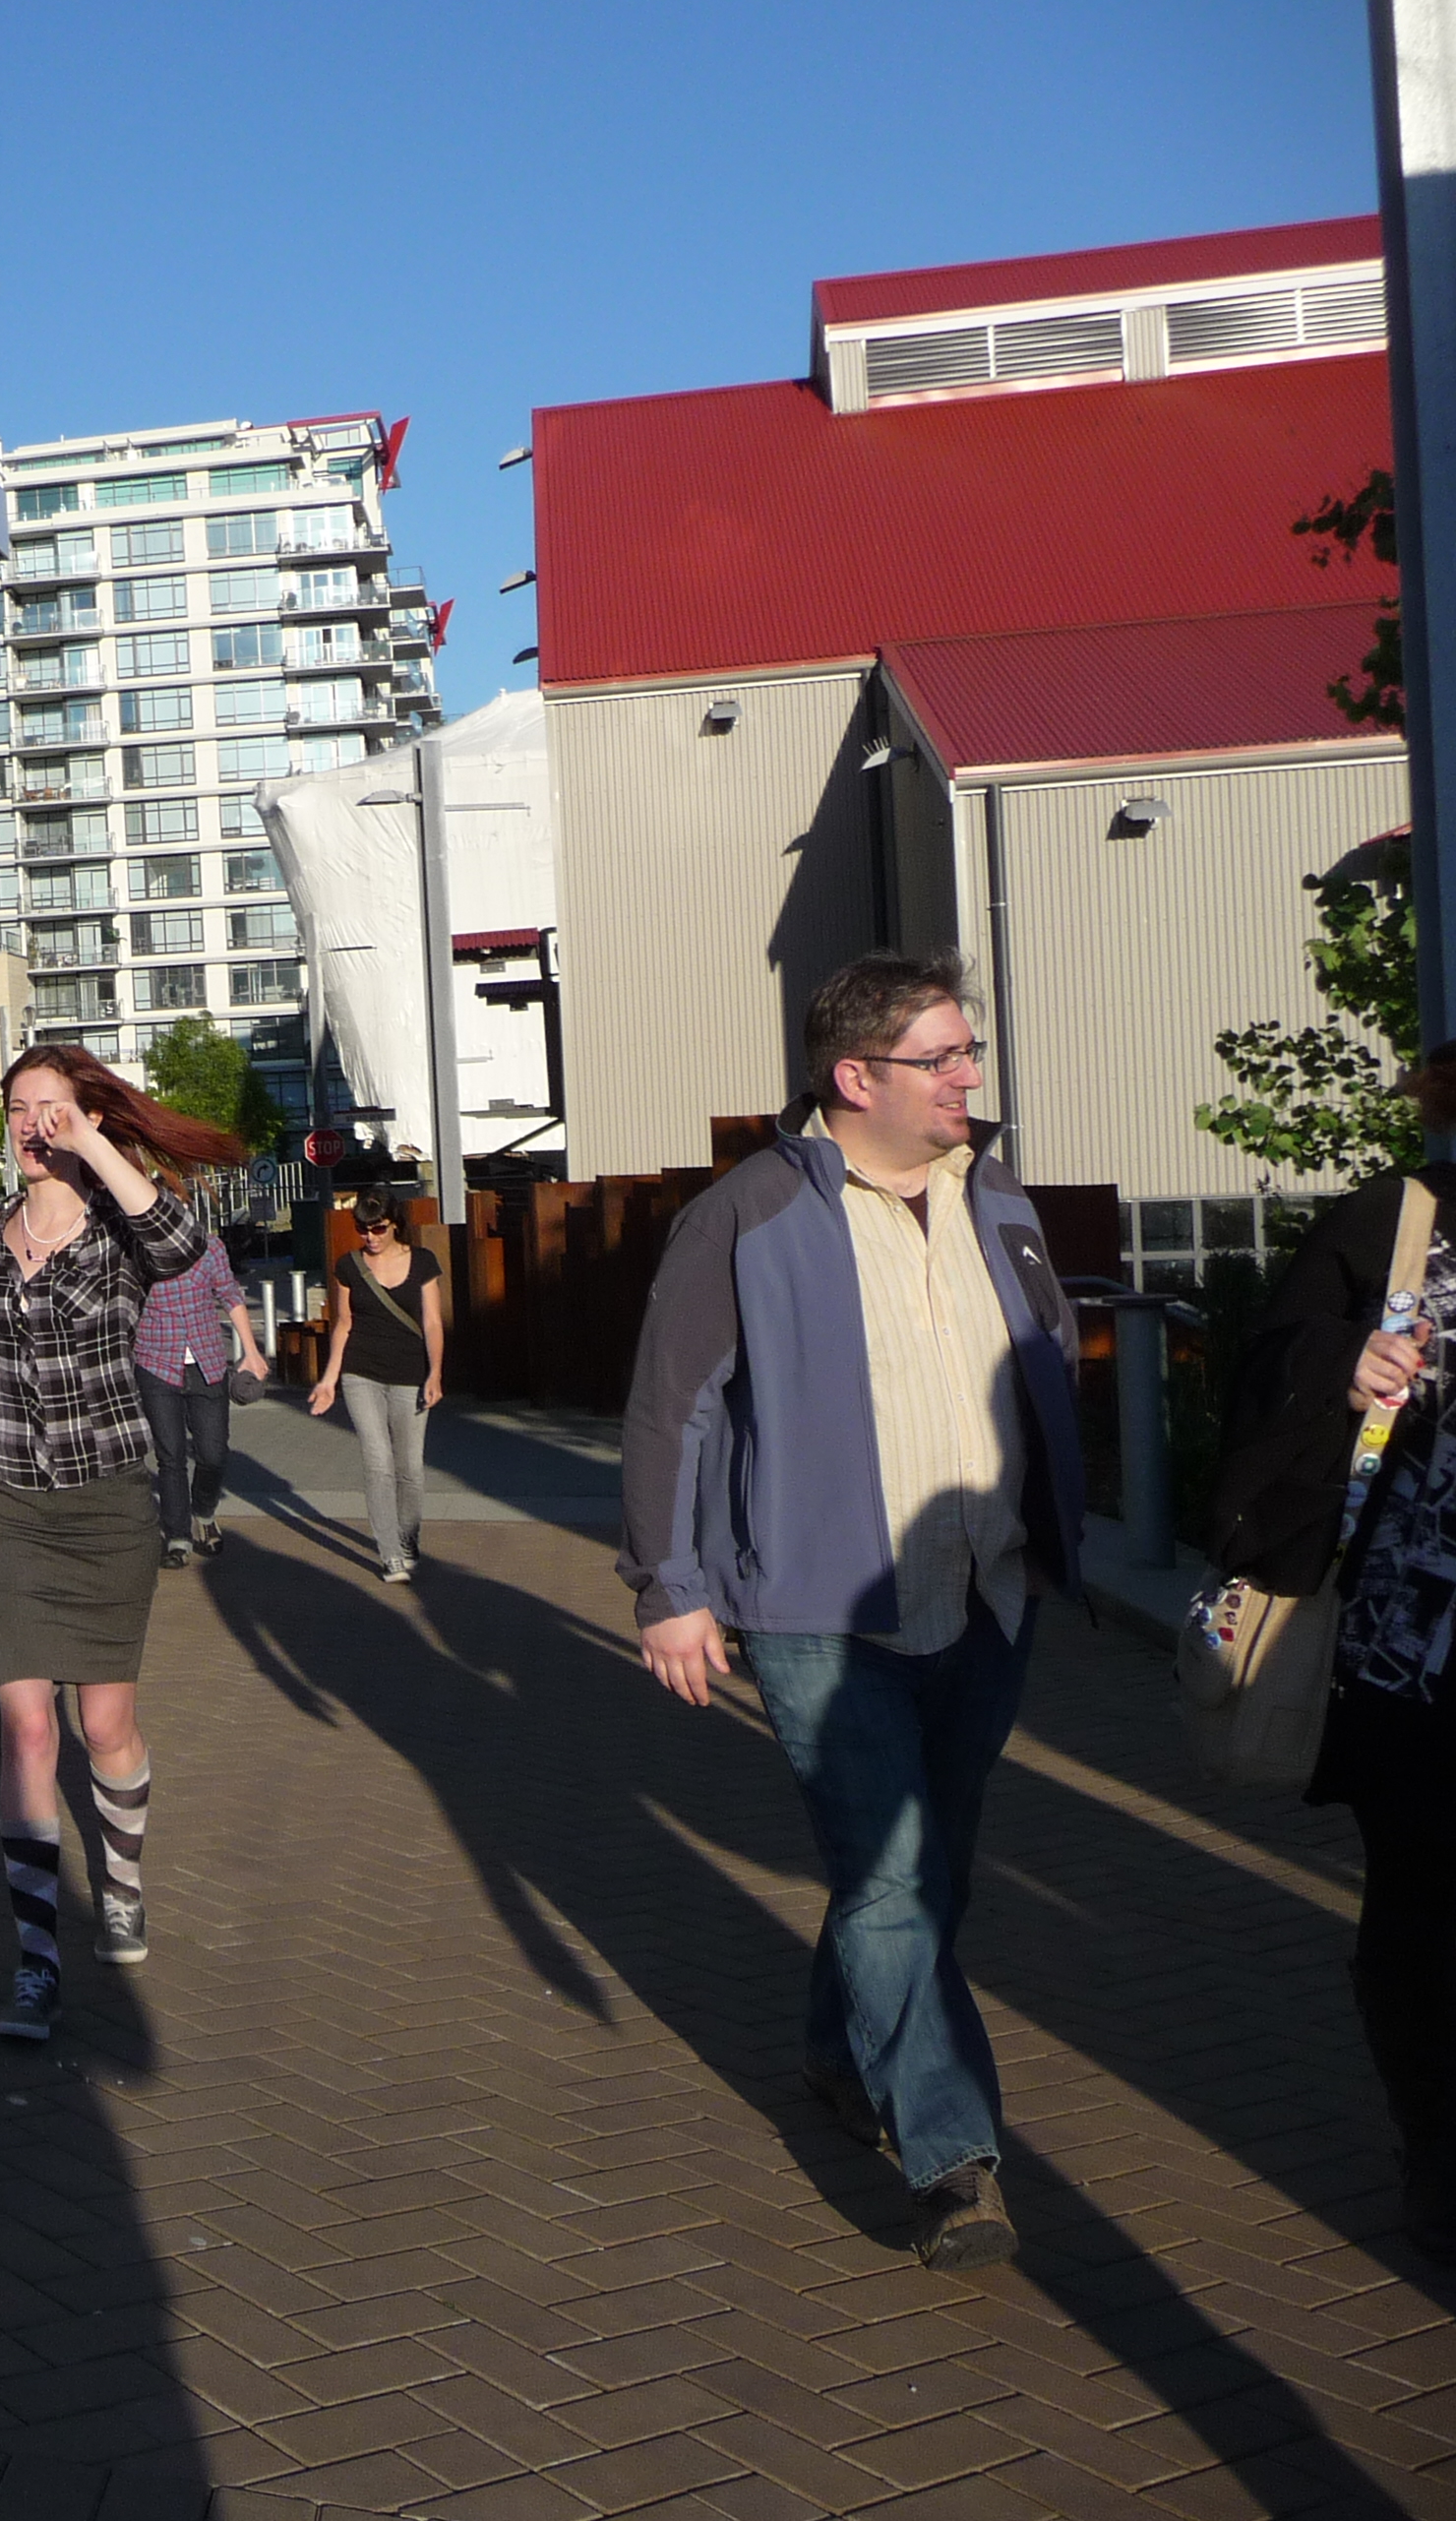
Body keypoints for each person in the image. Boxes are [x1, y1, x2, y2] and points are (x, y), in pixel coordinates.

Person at [619, 951, 1081, 2272]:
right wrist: (672, 1590)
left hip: (987, 1594)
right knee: (888, 1881)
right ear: (856, 1075)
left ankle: (837, 2049)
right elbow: (673, 1411)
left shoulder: (995, 1196)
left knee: (927, 1874)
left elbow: (1041, 1360)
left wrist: (1057, 1531)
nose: (970, 1077)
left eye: (969, 1053)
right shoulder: (749, 1214)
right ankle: (957, 2159)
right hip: (820, 1609)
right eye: (945, 1057)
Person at [0, 1045, 244, 2040]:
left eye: (50, 1109)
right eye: (17, 1110)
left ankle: (121, 1879)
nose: (31, 1126)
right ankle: (35, 1964)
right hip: (6, 1504)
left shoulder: (119, 1231)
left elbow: (183, 1242)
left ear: (87, 1117)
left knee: (104, 1726)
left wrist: (95, 1145)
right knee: (28, 1728)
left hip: (108, 1501)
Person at [1207, 1040, 1456, 2256]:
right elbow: (1263, 1368)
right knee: (1419, 1919)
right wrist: (1338, 1368)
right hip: (1414, 1655)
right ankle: (1437, 2153)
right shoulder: (1399, 1223)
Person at [308, 1189, 445, 1582]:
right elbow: (344, 1324)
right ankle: (390, 1554)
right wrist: (329, 1380)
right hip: (361, 1374)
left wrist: (435, 1372)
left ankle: (407, 1536)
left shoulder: (422, 1262)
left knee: (410, 1469)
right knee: (378, 1463)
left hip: (411, 1374)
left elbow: (433, 1322)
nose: (371, 1236)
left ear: (394, 1224)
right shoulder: (349, 1266)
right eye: (363, 1229)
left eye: (378, 1228)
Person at [134, 1227, 270, 1568]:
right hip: (155, 1361)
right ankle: (178, 1536)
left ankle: (204, 1511)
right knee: (170, 1455)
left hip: (206, 1361)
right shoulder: (138, 1248)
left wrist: (251, 1350)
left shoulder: (209, 1246)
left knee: (214, 1452)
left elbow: (230, 1294)